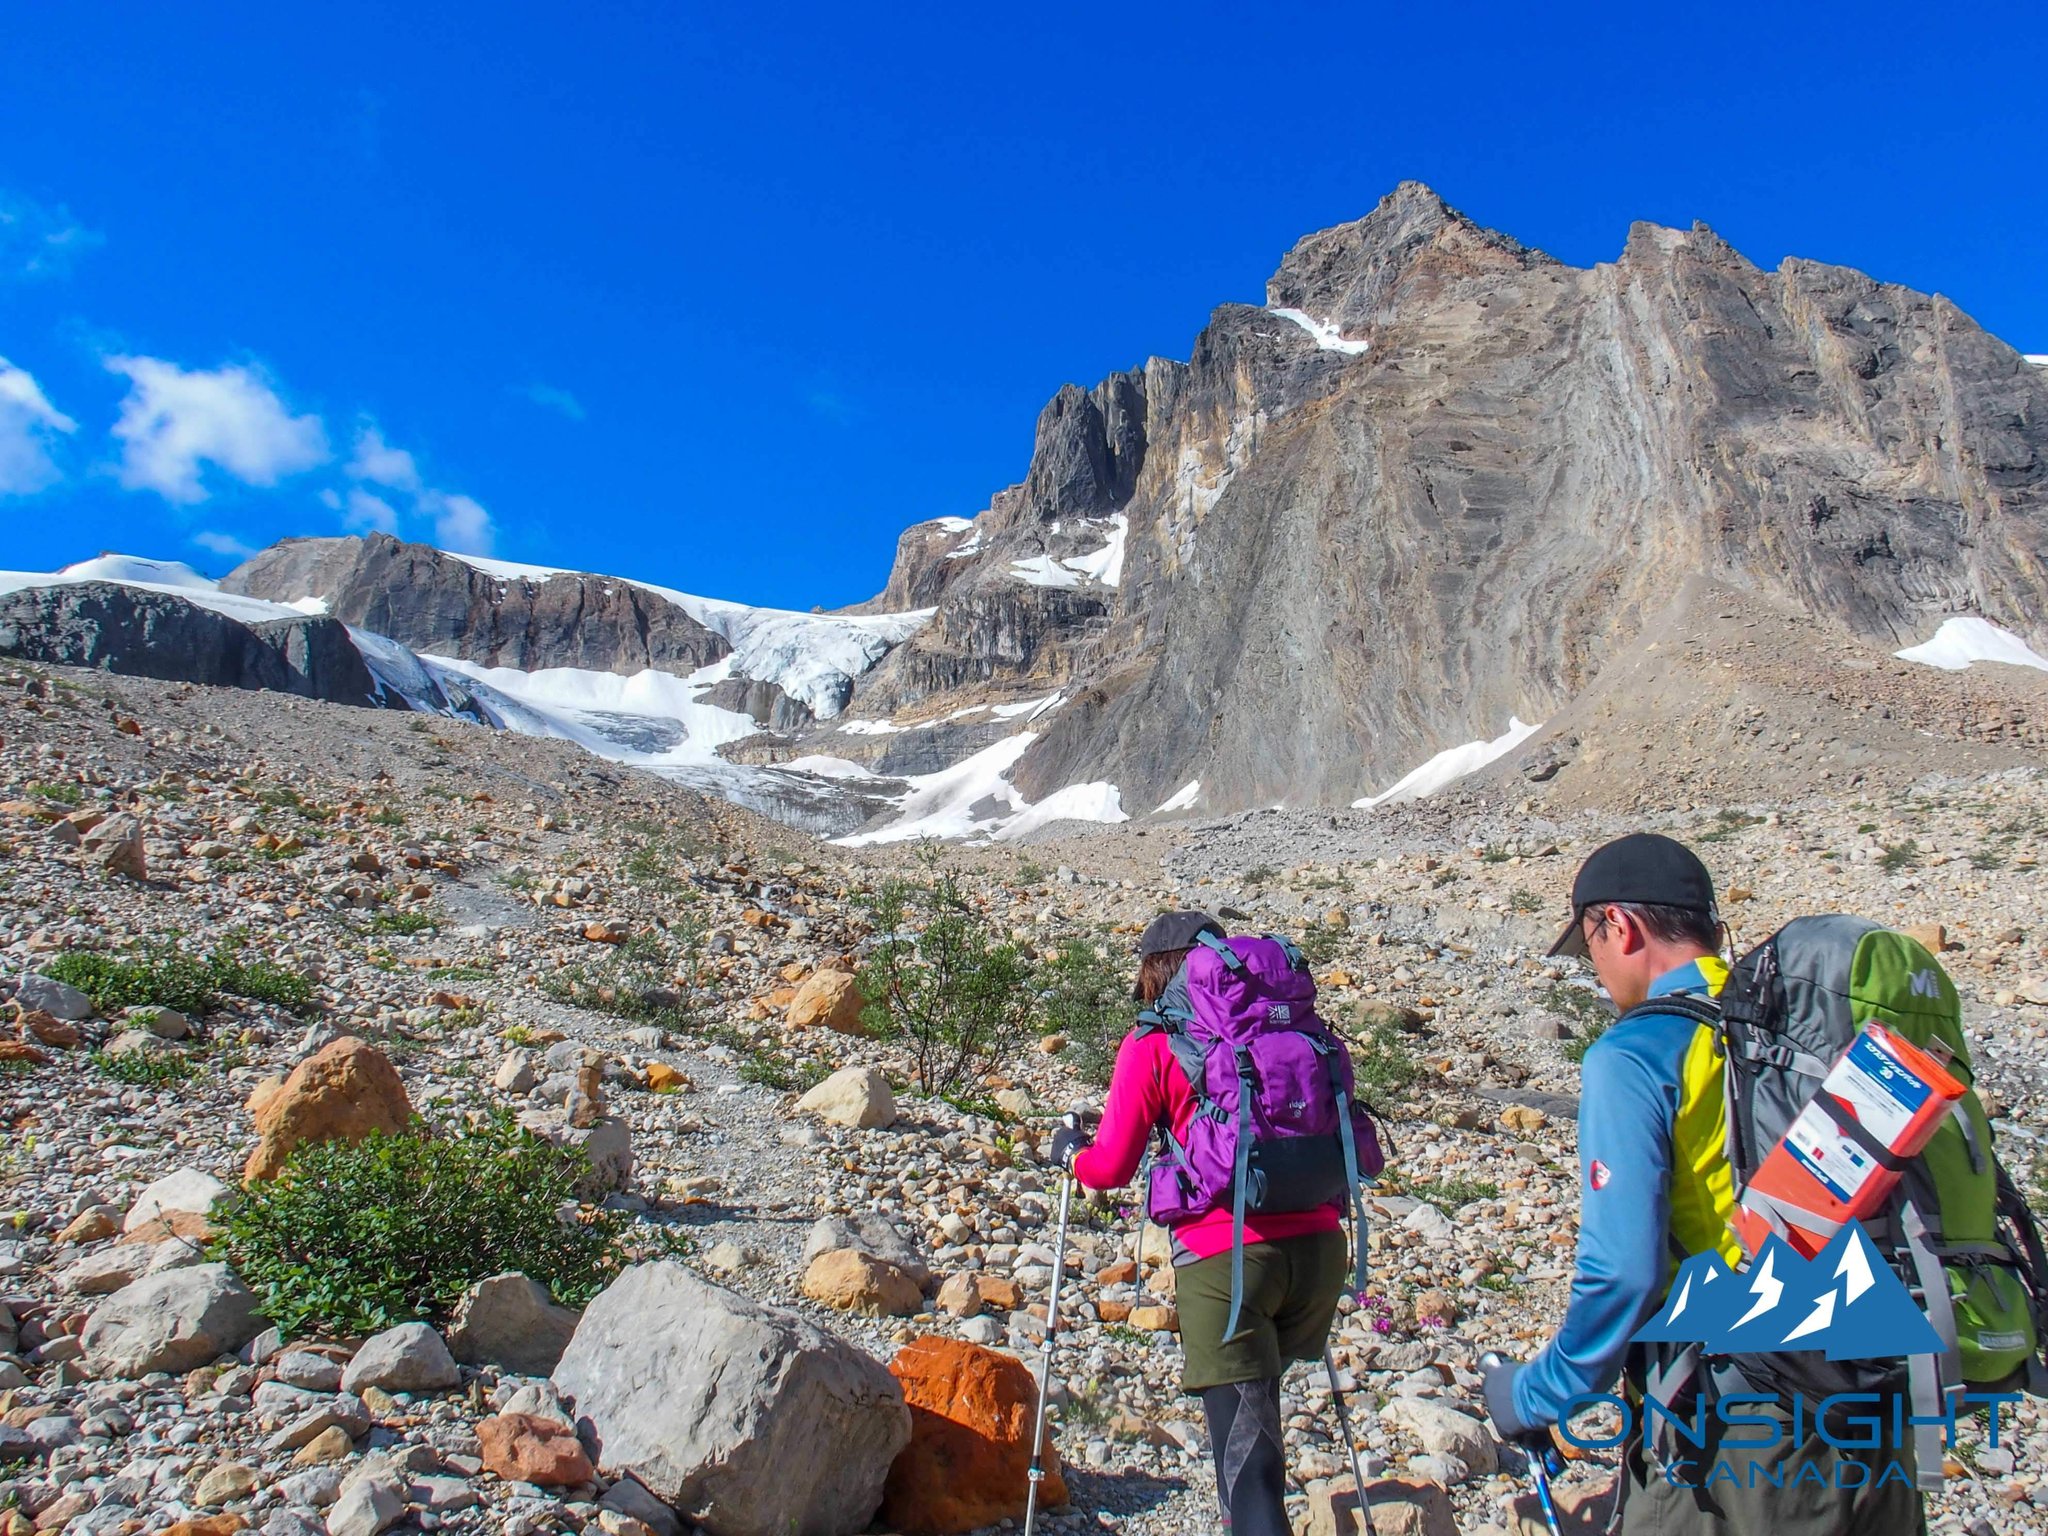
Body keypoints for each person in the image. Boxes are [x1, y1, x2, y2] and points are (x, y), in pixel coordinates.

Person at [1480, 833, 1925, 1533]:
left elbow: (1622, 1273)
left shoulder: (1636, 1051)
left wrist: (1537, 1395)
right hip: (1877, 1399)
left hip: (1744, 1422)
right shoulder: (1797, 1025)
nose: (1596, 971)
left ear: (1618, 926)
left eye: (1590, 947)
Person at [1049, 911, 1350, 1536]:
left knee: (1250, 1471)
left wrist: (1069, 1154)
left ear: (1154, 969)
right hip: (1322, 1249)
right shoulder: (1291, 1027)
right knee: (1263, 1417)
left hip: (1228, 1264)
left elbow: (1109, 1166)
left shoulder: (1154, 1039)